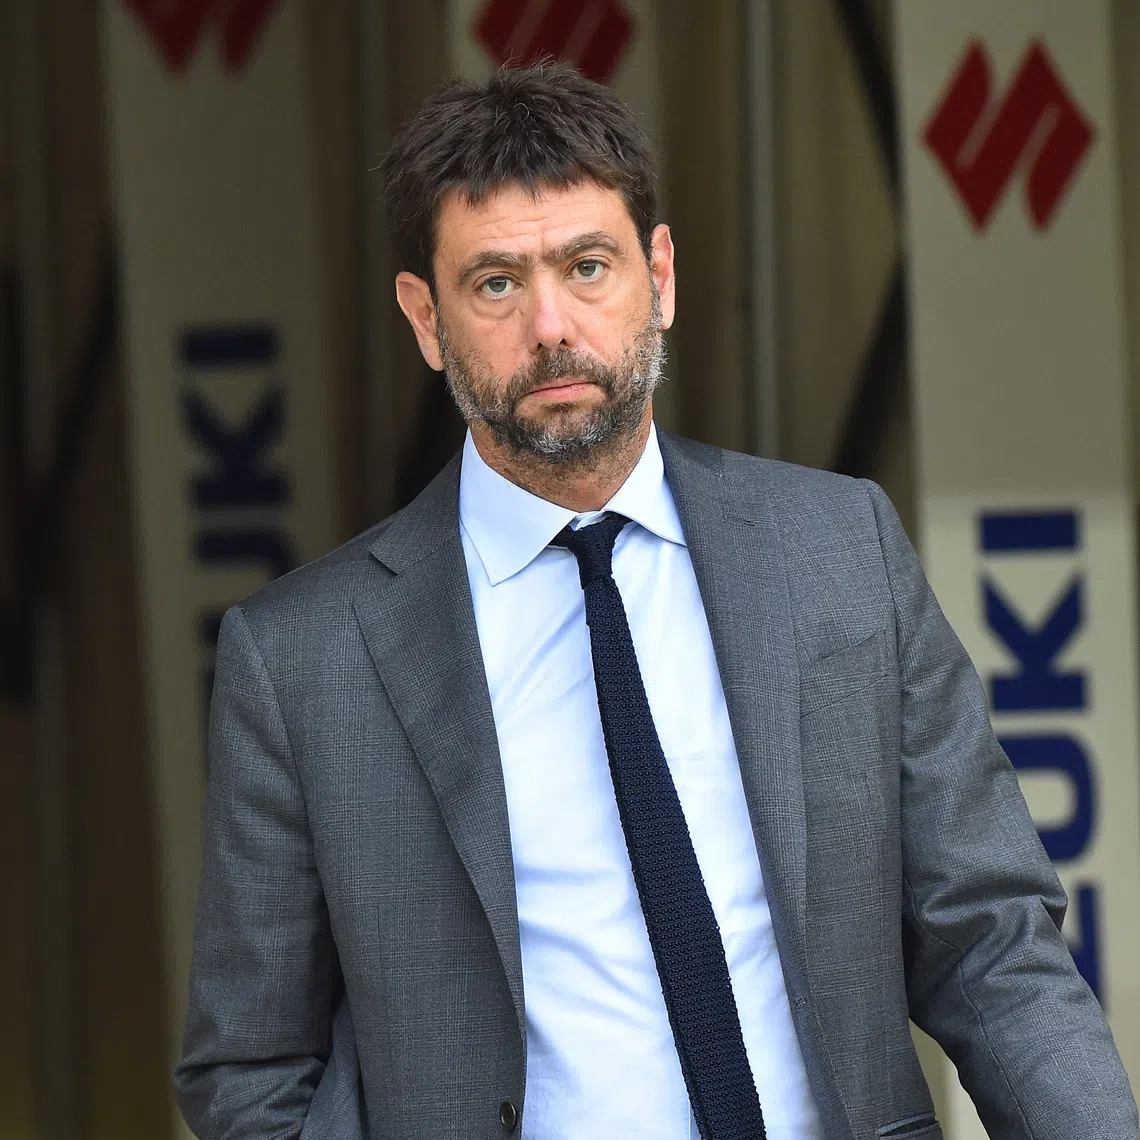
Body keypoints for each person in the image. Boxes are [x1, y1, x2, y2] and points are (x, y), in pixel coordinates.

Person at [173, 64, 1139, 1140]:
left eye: (588, 266)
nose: (551, 325)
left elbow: (990, 936)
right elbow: (251, 1070)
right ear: (425, 318)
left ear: (661, 275)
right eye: (495, 283)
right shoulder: (306, 659)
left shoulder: (837, 549)